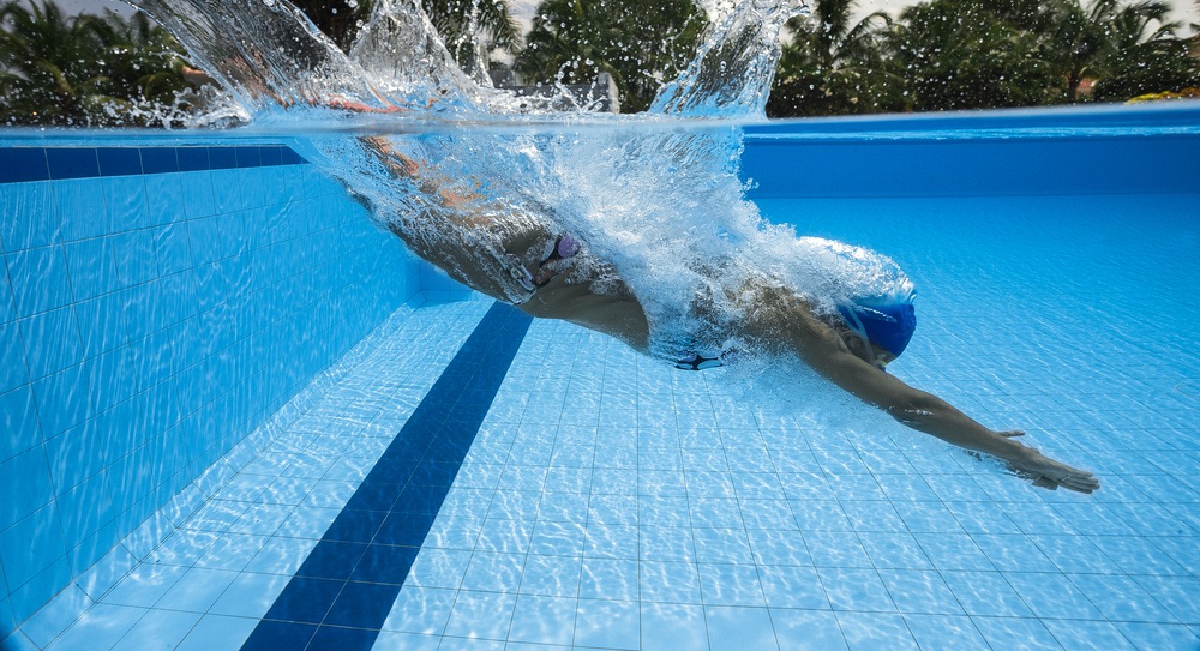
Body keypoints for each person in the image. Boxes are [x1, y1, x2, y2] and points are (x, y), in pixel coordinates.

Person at [355, 135, 1099, 494]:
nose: (864, 374)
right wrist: (1019, 456)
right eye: (871, 359)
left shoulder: (774, 305)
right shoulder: (799, 328)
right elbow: (906, 407)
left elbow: (899, 408)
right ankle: (314, 111)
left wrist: (977, 449)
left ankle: (351, 119)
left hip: (550, 252)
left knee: (405, 193)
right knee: (382, 197)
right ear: (853, 331)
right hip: (538, 271)